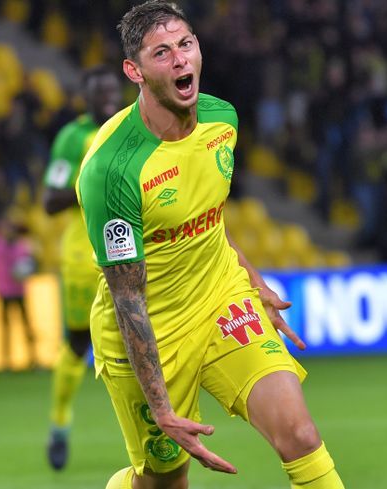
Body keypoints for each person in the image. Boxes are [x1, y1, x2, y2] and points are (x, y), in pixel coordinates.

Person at [76, 2, 345, 488]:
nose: (180, 59)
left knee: (301, 435)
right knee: (164, 482)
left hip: (221, 298)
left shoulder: (223, 120)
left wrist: (254, 281)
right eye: (162, 52)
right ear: (134, 71)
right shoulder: (112, 170)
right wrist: (162, 408)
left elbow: (208, 218)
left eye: (186, 44)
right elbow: (127, 296)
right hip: (151, 329)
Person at [42, 65, 124, 471]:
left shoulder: (132, 129)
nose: (108, 99)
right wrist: (88, 184)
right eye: (99, 93)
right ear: (86, 97)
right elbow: (49, 201)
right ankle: (59, 424)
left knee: (142, 339)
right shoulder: (73, 138)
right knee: (78, 345)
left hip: (126, 250)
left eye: (112, 91)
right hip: (81, 256)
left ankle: (155, 429)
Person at [0, 216, 39, 371]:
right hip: (5, 291)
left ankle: (32, 358)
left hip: (18, 291)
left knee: (25, 325)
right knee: (7, 327)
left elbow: (31, 264)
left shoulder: (19, 246)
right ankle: (6, 361)